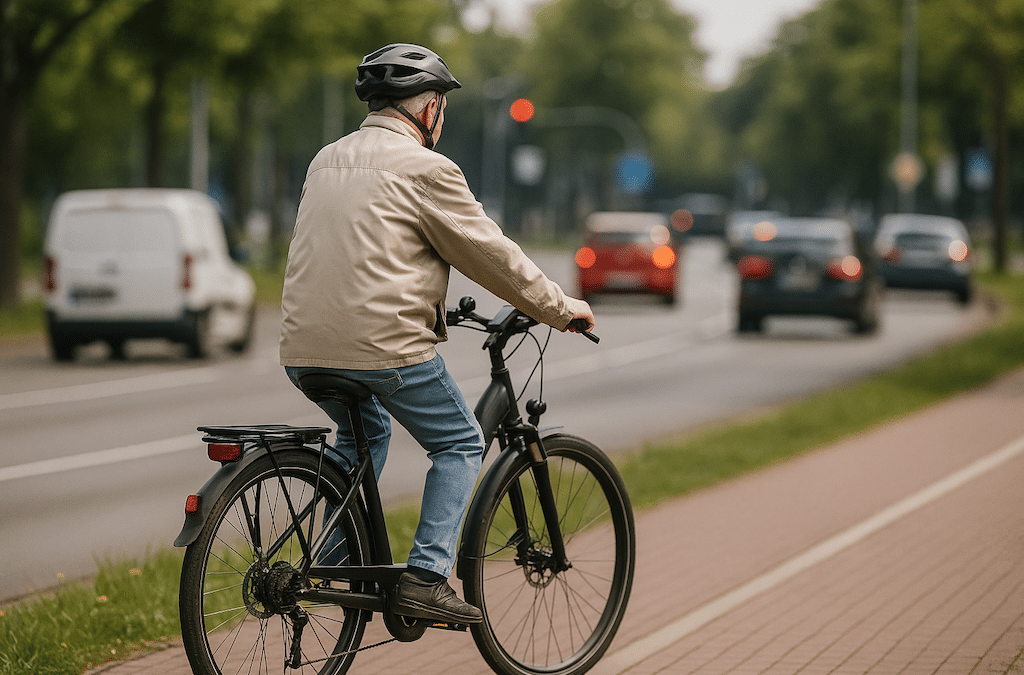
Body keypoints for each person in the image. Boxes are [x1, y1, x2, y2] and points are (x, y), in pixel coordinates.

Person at [279, 43, 595, 625]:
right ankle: (426, 577)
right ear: (427, 109)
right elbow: (489, 253)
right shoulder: (426, 169)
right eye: (440, 106)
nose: (440, 117)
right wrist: (558, 307)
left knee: (363, 435)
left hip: (303, 348)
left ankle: (324, 563)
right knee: (460, 443)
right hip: (383, 347)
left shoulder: (325, 159)